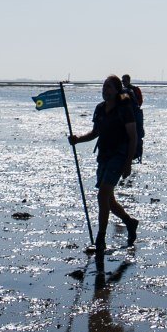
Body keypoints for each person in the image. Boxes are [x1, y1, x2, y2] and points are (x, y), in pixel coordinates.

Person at [68, 75, 141, 253]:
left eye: (109, 87)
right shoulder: (100, 109)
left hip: (119, 156)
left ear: (116, 90)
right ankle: (129, 222)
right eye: (103, 87)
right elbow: (95, 133)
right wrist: (77, 139)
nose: (105, 90)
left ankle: (100, 239)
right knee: (108, 199)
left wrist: (128, 163)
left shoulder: (124, 109)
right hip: (104, 156)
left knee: (102, 196)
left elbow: (133, 137)